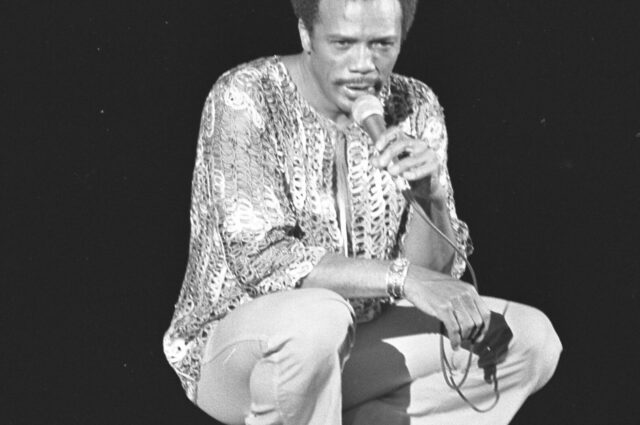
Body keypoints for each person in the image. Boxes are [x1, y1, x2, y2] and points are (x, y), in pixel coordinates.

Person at [163, 0, 562, 423]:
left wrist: (430, 196)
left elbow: (434, 279)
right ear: (306, 35)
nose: (363, 65)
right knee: (318, 318)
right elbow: (262, 261)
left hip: (356, 343)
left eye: (382, 45)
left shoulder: (415, 104)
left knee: (529, 340)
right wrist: (401, 279)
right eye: (342, 43)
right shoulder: (247, 95)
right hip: (241, 357)